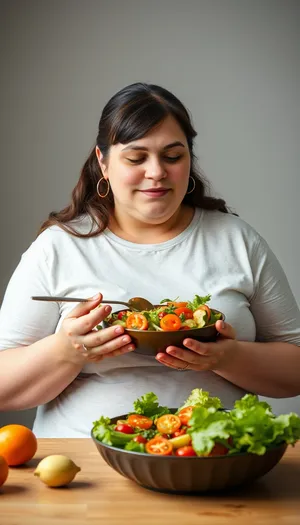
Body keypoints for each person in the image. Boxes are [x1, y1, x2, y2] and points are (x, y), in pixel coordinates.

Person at [0, 83, 299, 438]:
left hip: (215, 460)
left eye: (173, 157)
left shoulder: (238, 240)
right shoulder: (58, 247)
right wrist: (66, 351)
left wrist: (227, 357)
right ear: (103, 162)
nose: (156, 172)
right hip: (85, 469)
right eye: (136, 157)